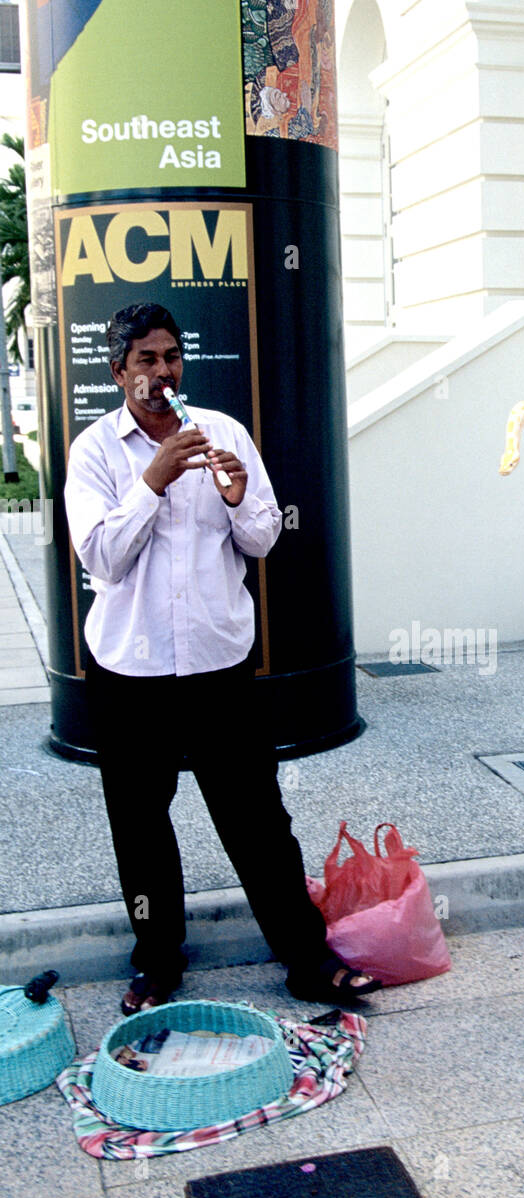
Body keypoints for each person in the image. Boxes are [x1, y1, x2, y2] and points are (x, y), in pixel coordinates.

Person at [64, 302, 380, 1014]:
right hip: (130, 671)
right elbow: (102, 559)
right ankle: (156, 963)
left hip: (217, 663)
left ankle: (305, 957)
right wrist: (152, 483)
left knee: (257, 819)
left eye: (170, 357)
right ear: (118, 372)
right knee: (140, 826)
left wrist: (237, 498)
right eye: (145, 360)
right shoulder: (94, 453)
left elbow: (263, 538)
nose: (161, 372)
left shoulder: (225, 432)